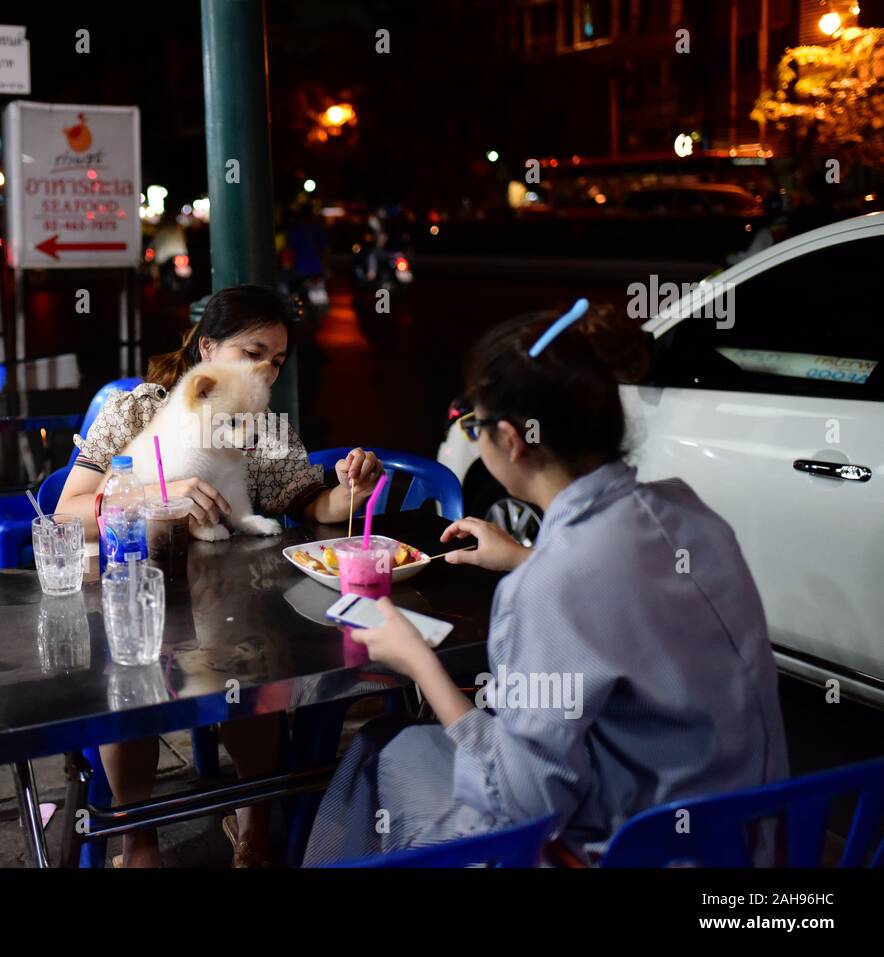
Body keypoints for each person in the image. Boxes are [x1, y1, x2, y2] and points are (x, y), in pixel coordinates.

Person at [304, 299, 789, 866]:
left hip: (625, 848)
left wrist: (419, 664)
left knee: (380, 750)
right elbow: (616, 589)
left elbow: (519, 805)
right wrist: (527, 557)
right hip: (751, 842)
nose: (472, 435)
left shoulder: (551, 585)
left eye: (474, 422)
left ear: (511, 439)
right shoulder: (687, 513)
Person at [57, 283, 385, 866]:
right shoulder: (136, 409)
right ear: (208, 348)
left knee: (248, 664)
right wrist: (158, 493)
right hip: (139, 585)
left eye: (277, 360)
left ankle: (254, 820)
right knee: (128, 677)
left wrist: (351, 486)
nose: (266, 369)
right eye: (253, 352)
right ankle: (139, 840)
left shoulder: (267, 426)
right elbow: (68, 513)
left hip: (228, 598)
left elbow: (312, 504)